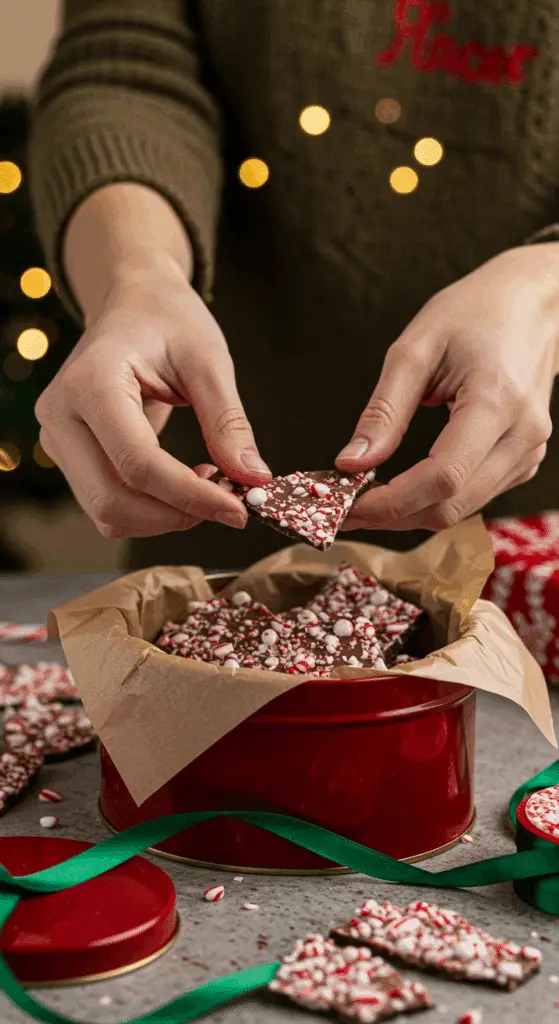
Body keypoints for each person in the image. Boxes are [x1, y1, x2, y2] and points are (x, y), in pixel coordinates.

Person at [29, 0, 559, 571]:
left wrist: (544, 286)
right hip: (215, 546)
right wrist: (135, 274)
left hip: (526, 563)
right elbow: (122, 70)